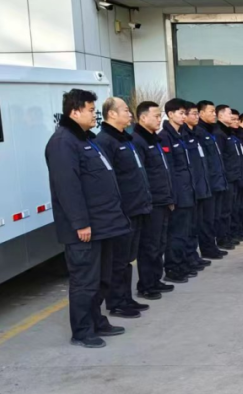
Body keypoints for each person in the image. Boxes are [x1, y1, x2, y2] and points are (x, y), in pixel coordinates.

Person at [45, 88, 130, 348]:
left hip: (103, 224)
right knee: (85, 281)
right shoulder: (63, 142)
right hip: (85, 229)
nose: (96, 115)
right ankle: (82, 331)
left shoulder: (86, 139)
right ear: (75, 112)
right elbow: (67, 188)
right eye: (91, 110)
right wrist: (80, 223)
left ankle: (97, 320)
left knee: (102, 278)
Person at [95, 96, 152, 319]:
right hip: (122, 210)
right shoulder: (105, 141)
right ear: (112, 114)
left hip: (136, 207)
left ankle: (126, 297)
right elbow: (107, 180)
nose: (130, 114)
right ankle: (116, 302)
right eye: (126, 110)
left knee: (128, 258)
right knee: (118, 260)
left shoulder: (126, 139)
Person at [130, 100, 175, 301]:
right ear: (143, 117)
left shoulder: (154, 139)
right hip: (151, 203)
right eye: (156, 116)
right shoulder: (138, 141)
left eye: (160, 116)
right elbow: (141, 176)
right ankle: (146, 285)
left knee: (159, 243)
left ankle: (155, 279)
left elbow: (163, 172)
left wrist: (169, 197)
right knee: (149, 245)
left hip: (162, 199)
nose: (159, 119)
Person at [159, 98, 198, 283]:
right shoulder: (164, 137)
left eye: (185, 113)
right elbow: (169, 170)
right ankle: (173, 268)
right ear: (170, 114)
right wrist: (172, 196)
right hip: (178, 194)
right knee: (176, 234)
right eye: (181, 113)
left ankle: (182, 263)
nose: (184, 117)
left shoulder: (181, 135)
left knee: (185, 232)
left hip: (187, 191)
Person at [180, 99, 214, 269]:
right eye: (193, 114)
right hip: (191, 189)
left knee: (200, 223)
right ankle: (187, 258)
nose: (196, 117)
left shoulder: (197, 134)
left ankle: (194, 256)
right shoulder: (182, 136)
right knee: (189, 227)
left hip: (202, 185)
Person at [195, 100, 229, 259]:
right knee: (207, 219)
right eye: (211, 111)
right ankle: (207, 248)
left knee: (215, 216)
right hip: (208, 183)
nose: (214, 114)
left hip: (217, 181)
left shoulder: (212, 132)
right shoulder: (199, 133)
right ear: (201, 113)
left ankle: (212, 245)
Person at [211, 104, 243, 246]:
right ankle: (222, 238)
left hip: (234, 176)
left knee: (231, 208)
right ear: (220, 115)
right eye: (229, 114)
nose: (232, 116)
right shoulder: (219, 134)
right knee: (224, 210)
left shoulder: (228, 133)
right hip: (226, 178)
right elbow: (220, 158)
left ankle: (229, 234)